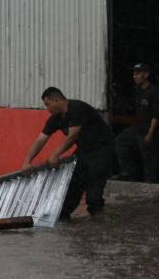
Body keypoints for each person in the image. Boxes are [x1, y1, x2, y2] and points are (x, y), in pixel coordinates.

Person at [23, 87, 115, 219]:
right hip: (84, 150)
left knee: (93, 192)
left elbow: (72, 136)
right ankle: (62, 216)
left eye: (47, 104)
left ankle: (99, 222)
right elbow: (40, 139)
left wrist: (55, 155)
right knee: (73, 186)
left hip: (102, 149)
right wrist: (27, 161)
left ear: (56, 99)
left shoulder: (77, 108)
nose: (47, 109)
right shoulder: (55, 118)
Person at [114, 63, 159, 182]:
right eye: (134, 73)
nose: (135, 76)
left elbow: (156, 116)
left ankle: (151, 185)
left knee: (149, 159)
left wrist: (150, 134)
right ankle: (129, 172)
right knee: (121, 141)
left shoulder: (154, 91)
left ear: (146, 74)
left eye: (138, 73)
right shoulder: (137, 90)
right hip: (138, 128)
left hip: (149, 130)